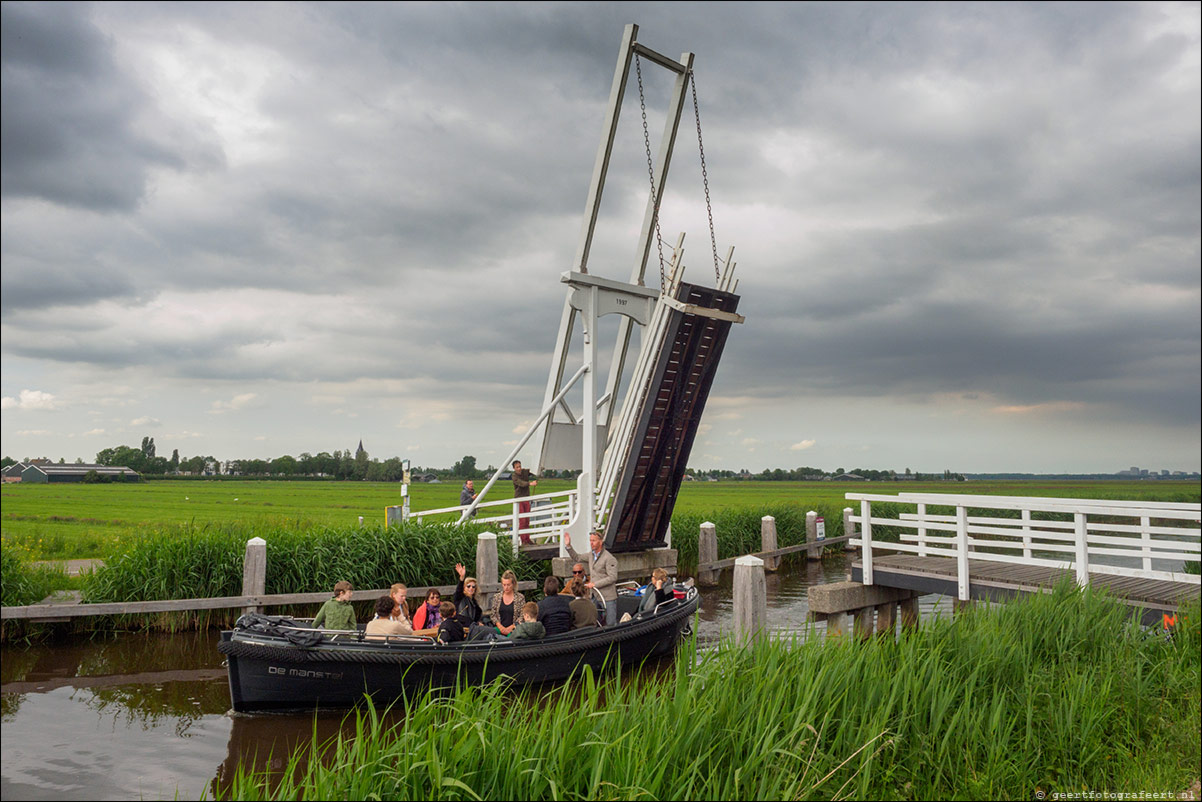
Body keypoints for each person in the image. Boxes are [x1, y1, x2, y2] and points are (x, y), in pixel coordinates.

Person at [562, 530, 618, 625]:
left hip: (608, 597)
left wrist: (595, 584)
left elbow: (613, 577)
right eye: (590, 540)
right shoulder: (590, 555)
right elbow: (577, 557)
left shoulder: (609, 558)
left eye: (594, 541)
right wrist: (568, 546)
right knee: (595, 622)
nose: (591, 543)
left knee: (610, 623)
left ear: (600, 542)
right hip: (595, 596)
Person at [487, 569, 526, 637]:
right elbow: (493, 615)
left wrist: (512, 627)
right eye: (504, 585)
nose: (506, 587)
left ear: (513, 584)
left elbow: (522, 616)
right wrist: (500, 627)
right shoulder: (497, 597)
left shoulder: (520, 598)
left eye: (508, 585)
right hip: (499, 628)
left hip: (514, 629)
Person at [511, 460, 537, 544]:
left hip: (526, 498)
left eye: (520, 466)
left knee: (527, 520)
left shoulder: (525, 472)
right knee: (522, 520)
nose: (519, 468)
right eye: (517, 467)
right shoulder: (514, 476)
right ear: (514, 468)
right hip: (519, 499)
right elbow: (521, 483)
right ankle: (523, 540)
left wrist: (537, 471)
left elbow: (533, 471)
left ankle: (527, 539)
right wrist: (530, 483)